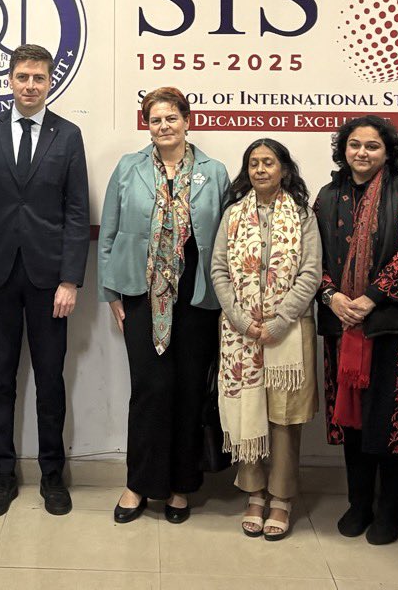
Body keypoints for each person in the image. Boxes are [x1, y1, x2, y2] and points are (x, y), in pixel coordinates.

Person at [0, 43, 90, 518]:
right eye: (23, 77)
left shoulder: (68, 135)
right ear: (10, 81)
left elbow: (77, 211)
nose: (31, 86)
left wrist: (71, 280)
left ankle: (52, 475)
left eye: (39, 78)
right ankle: (1, 474)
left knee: (50, 380)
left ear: (50, 81)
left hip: (49, 280)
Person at [98, 86, 228, 525]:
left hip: (197, 296)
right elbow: (109, 233)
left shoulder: (214, 171)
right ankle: (138, 484)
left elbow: (224, 239)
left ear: (187, 121)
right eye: (155, 119)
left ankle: (179, 486)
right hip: (141, 293)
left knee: (189, 390)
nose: (164, 126)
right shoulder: (129, 167)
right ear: (147, 125)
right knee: (149, 390)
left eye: (171, 118)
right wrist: (111, 293)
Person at [317, 114, 398, 546]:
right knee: (352, 420)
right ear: (343, 149)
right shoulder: (327, 196)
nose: (362, 152)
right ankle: (359, 504)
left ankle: (390, 510)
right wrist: (331, 295)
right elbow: (314, 256)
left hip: (394, 328)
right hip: (343, 325)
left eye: (372, 145)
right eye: (355, 144)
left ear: (388, 152)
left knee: (392, 421)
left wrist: (371, 297)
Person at [211, 138, 319, 540]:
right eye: (253, 163)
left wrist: (279, 321)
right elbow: (219, 270)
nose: (260, 169)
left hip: (288, 332)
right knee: (248, 410)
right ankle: (254, 493)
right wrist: (242, 321)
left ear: (283, 169)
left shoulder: (303, 215)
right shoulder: (232, 214)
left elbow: (310, 272)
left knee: (284, 419)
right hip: (240, 334)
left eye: (268, 162)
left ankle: (282, 498)